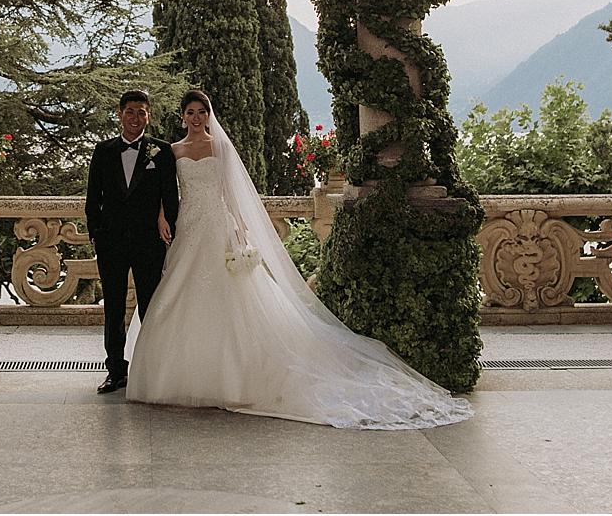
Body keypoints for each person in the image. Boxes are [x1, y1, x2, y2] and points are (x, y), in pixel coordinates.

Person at [125, 89, 473, 429]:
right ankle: (184, 375)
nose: (197, 118)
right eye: (191, 113)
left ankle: (236, 377)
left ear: (209, 114)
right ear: (182, 117)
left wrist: (240, 229)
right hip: (188, 224)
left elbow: (231, 191)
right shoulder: (173, 150)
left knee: (231, 295)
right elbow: (165, 191)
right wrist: (160, 216)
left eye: (202, 112)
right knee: (181, 295)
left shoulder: (220, 146)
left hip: (218, 224)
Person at [84, 89, 179, 394]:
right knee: (112, 307)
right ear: (120, 114)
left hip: (148, 243)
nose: (135, 117)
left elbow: (170, 196)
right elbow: (92, 200)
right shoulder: (102, 151)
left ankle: (150, 369)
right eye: (130, 111)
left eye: (141, 112)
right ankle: (115, 370)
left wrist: (167, 227)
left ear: (148, 115)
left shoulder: (161, 152)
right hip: (111, 243)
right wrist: (96, 235)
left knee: (151, 305)